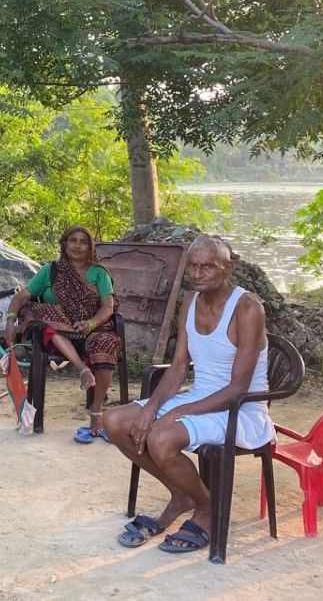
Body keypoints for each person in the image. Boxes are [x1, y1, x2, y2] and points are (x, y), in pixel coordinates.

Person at [102, 235, 273, 554]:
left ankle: (207, 509)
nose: (197, 273)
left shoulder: (247, 308)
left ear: (228, 268)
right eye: (192, 266)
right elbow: (179, 366)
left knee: (161, 439)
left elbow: (238, 388)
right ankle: (182, 496)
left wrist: (178, 413)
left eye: (208, 266)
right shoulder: (190, 303)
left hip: (239, 409)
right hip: (200, 398)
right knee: (113, 422)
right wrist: (152, 406)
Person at [2, 226, 121, 443]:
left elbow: (108, 307)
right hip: (57, 337)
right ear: (64, 244)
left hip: (91, 331)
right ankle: (82, 369)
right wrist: (10, 321)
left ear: (90, 246)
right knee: (41, 311)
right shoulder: (50, 271)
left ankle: (96, 410)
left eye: (83, 241)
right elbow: (21, 298)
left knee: (106, 342)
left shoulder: (99, 273)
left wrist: (91, 323)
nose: (77, 245)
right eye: (72, 240)